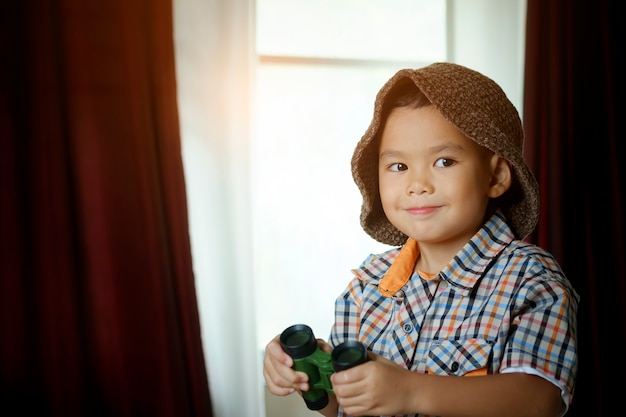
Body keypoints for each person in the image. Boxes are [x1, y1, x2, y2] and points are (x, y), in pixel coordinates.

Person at [263, 62, 579, 417]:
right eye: (399, 167)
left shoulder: (529, 279)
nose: (418, 184)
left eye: (444, 161)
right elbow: (343, 407)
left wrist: (411, 391)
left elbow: (539, 401)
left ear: (495, 176)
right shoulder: (367, 286)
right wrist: (306, 374)